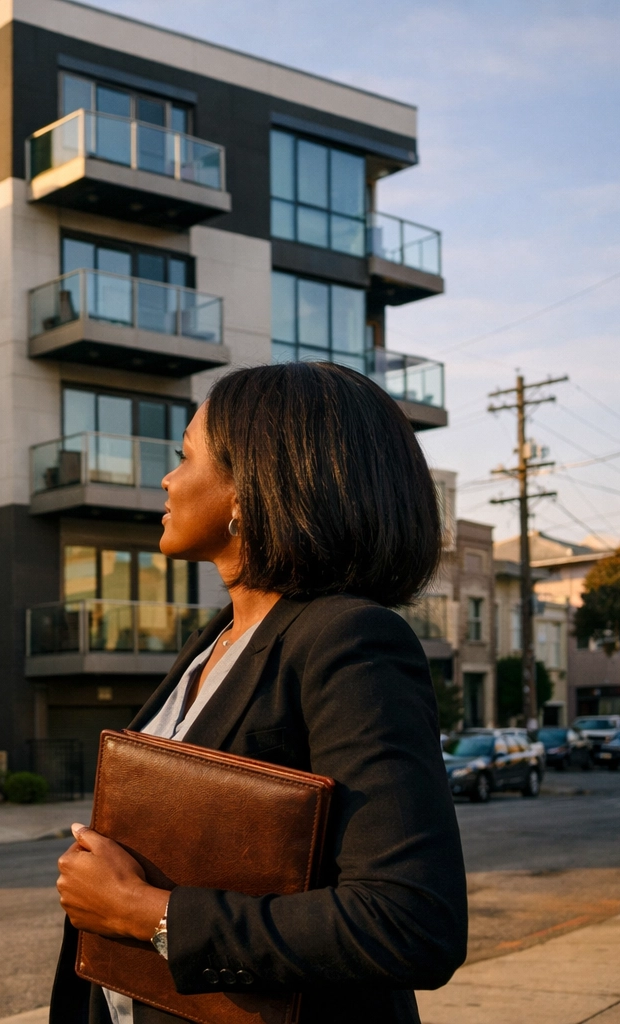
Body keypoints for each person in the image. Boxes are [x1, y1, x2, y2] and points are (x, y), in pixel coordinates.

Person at [51, 362, 467, 1024]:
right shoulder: (217, 640)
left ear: (249, 488)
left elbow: (409, 919)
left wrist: (146, 913)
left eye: (186, 457)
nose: (167, 479)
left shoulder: (348, 640)